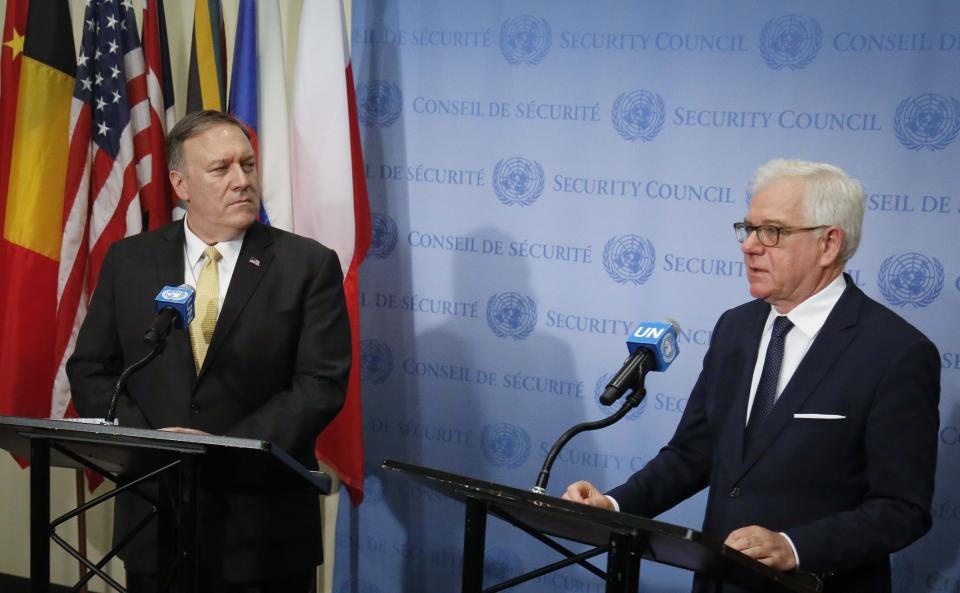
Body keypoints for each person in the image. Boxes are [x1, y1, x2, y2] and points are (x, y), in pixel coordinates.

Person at [563, 159, 940, 593]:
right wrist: (613, 504)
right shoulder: (735, 328)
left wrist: (794, 547)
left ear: (829, 244)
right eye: (749, 228)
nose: (750, 246)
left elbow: (902, 508)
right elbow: (693, 454)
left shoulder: (896, 352)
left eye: (773, 232)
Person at [67, 110, 351, 593]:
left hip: (261, 523)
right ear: (180, 183)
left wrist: (219, 450)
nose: (242, 181)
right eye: (221, 169)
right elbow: (92, 368)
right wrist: (153, 445)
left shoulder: (307, 265)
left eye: (248, 165)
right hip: (155, 513)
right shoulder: (129, 260)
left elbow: (319, 384)